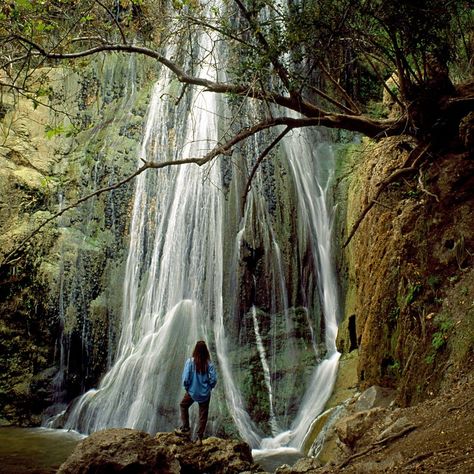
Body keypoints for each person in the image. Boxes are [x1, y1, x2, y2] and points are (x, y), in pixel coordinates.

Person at [176, 340, 217, 443]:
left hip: (192, 392)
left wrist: (187, 388)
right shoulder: (209, 363)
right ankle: (199, 438)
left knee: (183, 405)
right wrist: (209, 387)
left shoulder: (190, 362)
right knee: (203, 415)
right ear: (206, 351)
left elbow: (185, 378)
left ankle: (185, 428)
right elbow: (213, 379)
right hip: (205, 393)